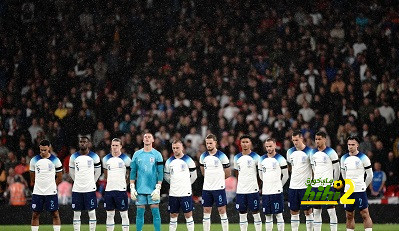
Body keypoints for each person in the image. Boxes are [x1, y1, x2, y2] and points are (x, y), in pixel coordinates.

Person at [130, 133, 163, 231]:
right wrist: (132, 186)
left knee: (155, 212)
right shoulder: (137, 154)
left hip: (153, 188)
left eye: (149, 137)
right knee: (139, 213)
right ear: (143, 140)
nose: (147, 138)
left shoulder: (157, 154)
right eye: (145, 137)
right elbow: (133, 171)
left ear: (153, 140)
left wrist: (158, 188)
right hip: (140, 188)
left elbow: (160, 172)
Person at [199, 134, 231, 231]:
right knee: (206, 211)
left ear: (215, 143)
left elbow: (228, 173)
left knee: (222, 210)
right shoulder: (203, 156)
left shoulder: (222, 156)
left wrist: (218, 180)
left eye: (210, 143)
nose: (208, 145)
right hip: (207, 188)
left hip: (219, 188)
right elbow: (203, 172)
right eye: (207, 143)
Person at [69, 136, 101, 231]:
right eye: (81, 142)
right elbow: (71, 172)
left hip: (89, 189)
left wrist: (92, 182)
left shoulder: (94, 156)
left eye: (85, 142)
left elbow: (98, 172)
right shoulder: (73, 156)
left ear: (88, 143)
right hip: (77, 189)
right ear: (79, 143)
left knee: (91, 213)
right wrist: (77, 180)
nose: (82, 143)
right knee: (76, 213)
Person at [29, 139, 63, 231]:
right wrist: (39, 185)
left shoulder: (56, 160)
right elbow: (32, 178)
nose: (43, 152)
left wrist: (52, 186)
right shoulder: (34, 160)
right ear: (39, 148)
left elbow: (60, 178)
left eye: (45, 150)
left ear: (49, 148)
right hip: (38, 191)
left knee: (55, 213)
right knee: (35, 214)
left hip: (51, 192)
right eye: (41, 150)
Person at [164, 139, 197, 231]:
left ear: (182, 147)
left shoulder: (188, 160)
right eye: (174, 148)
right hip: (173, 193)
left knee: (188, 215)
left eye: (177, 148)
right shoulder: (169, 162)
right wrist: (175, 184)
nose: (175, 150)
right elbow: (167, 177)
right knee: (173, 216)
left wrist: (185, 184)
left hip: (185, 192)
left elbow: (194, 176)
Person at [341, 136, 373, 231]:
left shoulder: (363, 158)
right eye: (349, 144)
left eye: (352, 144)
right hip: (348, 191)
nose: (350, 146)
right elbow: (343, 174)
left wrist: (364, 186)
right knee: (349, 215)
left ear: (357, 145)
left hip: (360, 190)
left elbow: (370, 175)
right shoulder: (343, 158)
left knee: (365, 213)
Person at [310, 131, 340, 231]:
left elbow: (337, 169)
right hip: (316, 186)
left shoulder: (331, 152)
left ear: (325, 139)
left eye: (319, 139)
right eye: (316, 139)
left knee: (331, 211)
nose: (317, 141)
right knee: (316, 211)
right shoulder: (312, 153)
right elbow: (313, 168)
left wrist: (334, 182)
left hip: (328, 185)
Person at [233, 135, 262, 231]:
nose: (245, 144)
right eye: (243, 142)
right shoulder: (236, 157)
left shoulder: (256, 157)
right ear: (240, 144)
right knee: (242, 214)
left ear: (250, 144)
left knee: (256, 213)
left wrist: (258, 185)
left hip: (252, 189)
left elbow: (260, 174)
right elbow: (237, 173)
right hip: (241, 190)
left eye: (247, 142)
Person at [259, 138, 289, 231]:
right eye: (267, 146)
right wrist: (267, 183)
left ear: (275, 145)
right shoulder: (261, 159)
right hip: (266, 191)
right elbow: (261, 175)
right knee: (268, 215)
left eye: (270, 146)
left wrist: (279, 185)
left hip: (276, 191)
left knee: (278, 215)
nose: (268, 148)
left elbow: (286, 175)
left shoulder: (280, 159)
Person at [286, 130, 314, 231]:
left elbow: (314, 169)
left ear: (301, 138)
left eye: (297, 140)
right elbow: (290, 166)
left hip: (306, 187)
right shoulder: (290, 152)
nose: (295, 142)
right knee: (294, 211)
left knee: (308, 211)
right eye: (293, 140)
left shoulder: (310, 152)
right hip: (293, 186)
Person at [102, 138, 131, 231]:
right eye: (113, 145)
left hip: (121, 190)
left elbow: (130, 173)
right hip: (109, 190)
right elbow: (106, 174)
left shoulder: (126, 159)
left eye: (116, 145)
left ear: (121, 146)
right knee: (110, 214)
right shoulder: (106, 159)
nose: (114, 147)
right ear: (111, 146)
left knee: (124, 214)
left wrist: (125, 183)